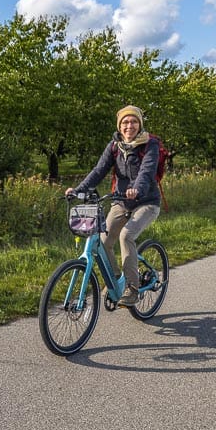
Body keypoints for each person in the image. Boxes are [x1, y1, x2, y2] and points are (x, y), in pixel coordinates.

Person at [65, 105, 161, 306]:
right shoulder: (114, 146)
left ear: (140, 124)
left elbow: (147, 171)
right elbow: (98, 171)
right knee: (103, 240)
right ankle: (115, 279)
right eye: (125, 122)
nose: (129, 126)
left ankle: (132, 288)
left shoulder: (149, 144)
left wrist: (137, 188)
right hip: (121, 201)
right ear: (119, 125)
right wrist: (78, 190)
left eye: (133, 121)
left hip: (147, 201)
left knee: (126, 236)